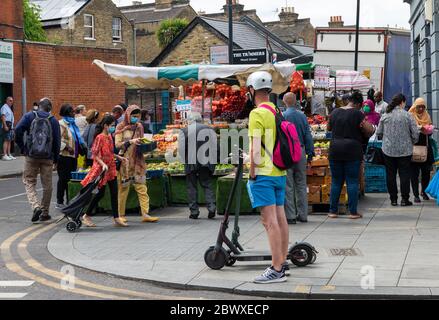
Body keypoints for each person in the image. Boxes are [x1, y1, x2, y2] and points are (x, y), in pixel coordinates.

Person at [246, 71, 289, 284]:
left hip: (263, 174)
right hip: (280, 172)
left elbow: (255, 150)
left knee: (269, 222)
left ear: (252, 90)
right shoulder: (276, 110)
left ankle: (276, 268)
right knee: (280, 220)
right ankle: (282, 261)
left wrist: (252, 173)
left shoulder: (256, 114)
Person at [327, 91, 373, 219]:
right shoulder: (358, 114)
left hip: (335, 149)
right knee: (352, 181)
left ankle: (333, 211)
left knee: (336, 181)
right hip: (352, 150)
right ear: (358, 104)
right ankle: (353, 212)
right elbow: (369, 130)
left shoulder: (335, 112)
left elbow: (328, 128)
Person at [15, 98, 61, 223]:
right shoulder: (53, 121)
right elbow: (57, 142)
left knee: (29, 181)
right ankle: (44, 212)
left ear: (38, 106)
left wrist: (23, 147)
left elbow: (17, 130)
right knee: (47, 186)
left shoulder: (29, 116)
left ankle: (35, 206)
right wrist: (56, 159)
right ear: (50, 109)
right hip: (48, 157)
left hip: (31, 156)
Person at [80, 115, 128, 228]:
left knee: (114, 192)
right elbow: (95, 154)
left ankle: (116, 218)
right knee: (100, 194)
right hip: (102, 169)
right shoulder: (100, 137)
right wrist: (103, 164)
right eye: (112, 125)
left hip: (110, 168)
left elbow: (110, 153)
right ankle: (86, 215)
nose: (113, 127)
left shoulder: (110, 137)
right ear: (106, 126)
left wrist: (119, 157)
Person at [115, 105, 159, 224]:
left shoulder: (139, 126)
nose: (135, 118)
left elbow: (142, 139)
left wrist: (146, 143)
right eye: (133, 116)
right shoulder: (121, 127)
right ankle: (120, 214)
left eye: (137, 116)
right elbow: (117, 144)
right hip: (125, 162)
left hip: (138, 161)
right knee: (123, 189)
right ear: (128, 115)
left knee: (142, 187)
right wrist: (130, 141)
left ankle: (145, 213)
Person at [376, 94, 419, 206]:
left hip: (388, 150)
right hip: (405, 151)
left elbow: (379, 133)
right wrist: (412, 142)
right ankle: (405, 199)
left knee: (390, 175)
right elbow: (415, 133)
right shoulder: (408, 115)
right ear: (402, 102)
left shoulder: (385, 115)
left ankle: (393, 199)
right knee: (404, 174)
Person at [178, 112, 217, 220]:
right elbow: (215, 147)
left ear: (190, 120)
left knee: (191, 186)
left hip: (190, 161)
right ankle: (212, 207)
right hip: (206, 161)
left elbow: (181, 149)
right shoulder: (210, 129)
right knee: (207, 184)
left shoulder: (184, 131)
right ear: (200, 119)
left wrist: (185, 159)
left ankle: (194, 212)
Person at [282, 92, 314, 224]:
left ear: (285, 102)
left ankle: (290, 216)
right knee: (301, 184)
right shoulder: (302, 116)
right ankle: (303, 215)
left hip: (288, 152)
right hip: (300, 151)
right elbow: (308, 135)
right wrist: (310, 153)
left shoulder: (283, 116)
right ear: (295, 102)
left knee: (288, 185)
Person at [56, 104, 85, 209]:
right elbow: (57, 140)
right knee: (63, 179)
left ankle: (69, 200)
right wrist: (67, 147)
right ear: (66, 113)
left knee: (70, 179)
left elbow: (77, 138)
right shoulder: (61, 124)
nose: (74, 114)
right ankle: (59, 201)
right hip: (64, 157)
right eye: (72, 112)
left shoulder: (73, 124)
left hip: (73, 157)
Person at [408, 98, 435, 203]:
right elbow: (408, 130)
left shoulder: (427, 116)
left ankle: (424, 192)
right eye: (419, 106)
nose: (420, 109)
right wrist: (419, 129)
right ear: (415, 106)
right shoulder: (410, 116)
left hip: (425, 148)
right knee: (414, 173)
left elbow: (430, 132)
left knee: (426, 172)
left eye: (423, 107)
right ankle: (415, 194)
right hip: (413, 148)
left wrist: (428, 130)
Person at [1, 96, 15, 161]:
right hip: (6, 126)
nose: (11, 102)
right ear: (6, 100)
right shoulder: (4, 107)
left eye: (12, 101)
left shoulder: (9, 108)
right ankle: (4, 155)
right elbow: (3, 117)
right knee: (6, 140)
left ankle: (9, 154)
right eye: (10, 100)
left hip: (10, 127)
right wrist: (5, 126)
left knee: (9, 141)